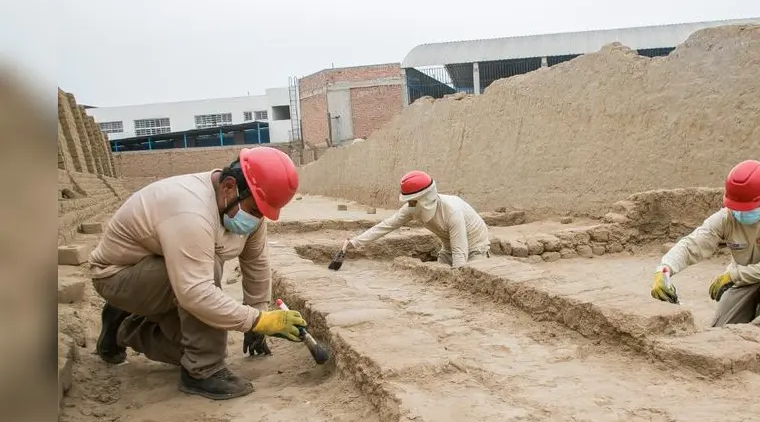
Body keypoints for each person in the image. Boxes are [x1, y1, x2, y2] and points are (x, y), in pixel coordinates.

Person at [89, 146, 308, 400]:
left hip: (164, 274)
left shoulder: (244, 206)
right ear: (228, 186)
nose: (256, 219)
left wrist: (258, 311)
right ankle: (203, 371)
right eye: (255, 210)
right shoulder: (189, 208)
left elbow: (256, 263)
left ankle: (123, 329)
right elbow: (196, 292)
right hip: (118, 277)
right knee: (209, 268)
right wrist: (259, 320)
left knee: (192, 345)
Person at [650, 159, 760, 326]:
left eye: (748, 208)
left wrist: (733, 276)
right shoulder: (727, 217)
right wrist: (664, 269)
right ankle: (753, 312)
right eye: (737, 208)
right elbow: (693, 244)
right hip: (744, 280)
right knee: (722, 330)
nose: (741, 213)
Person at [342, 170, 491, 268]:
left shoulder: (452, 212)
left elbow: (460, 252)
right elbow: (386, 225)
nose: (410, 204)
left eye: (413, 200)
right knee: (439, 276)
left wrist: (458, 275)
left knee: (471, 276)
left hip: (475, 246)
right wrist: (354, 243)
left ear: (424, 198)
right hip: (448, 245)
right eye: (409, 201)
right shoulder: (412, 206)